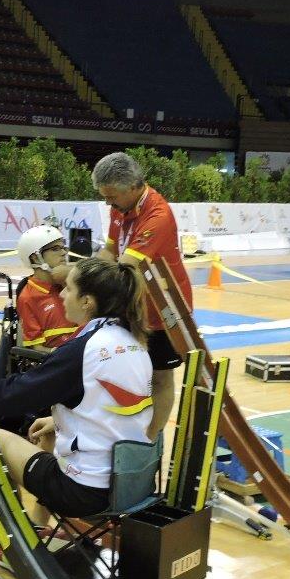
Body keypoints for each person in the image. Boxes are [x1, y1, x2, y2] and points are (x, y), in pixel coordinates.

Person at [0, 258, 152, 524]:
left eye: (68, 289)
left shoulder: (83, 350)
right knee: (46, 434)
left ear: (87, 302)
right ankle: (38, 527)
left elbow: (1, 398)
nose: (61, 295)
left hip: (85, 492)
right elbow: (111, 406)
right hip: (132, 483)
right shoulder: (133, 341)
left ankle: (11, 536)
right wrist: (58, 418)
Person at [93, 152, 193, 441]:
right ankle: (125, 430)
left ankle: (150, 438)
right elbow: (108, 253)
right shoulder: (119, 208)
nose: (108, 204)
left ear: (132, 187)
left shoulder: (157, 214)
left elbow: (125, 266)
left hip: (164, 310)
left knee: (161, 377)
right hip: (133, 305)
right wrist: (83, 272)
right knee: (130, 372)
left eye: (111, 196)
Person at [15, 225, 79, 352]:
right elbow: (37, 348)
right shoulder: (28, 297)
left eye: (63, 247)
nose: (64, 252)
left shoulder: (73, 284)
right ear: (35, 257)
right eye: (56, 249)